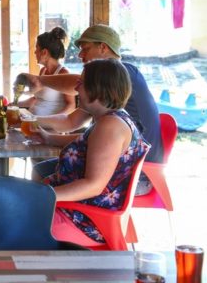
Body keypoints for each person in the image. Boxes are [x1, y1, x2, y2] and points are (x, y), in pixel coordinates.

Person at [17, 24, 162, 195]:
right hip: (115, 165)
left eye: (85, 49)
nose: (79, 55)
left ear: (103, 47)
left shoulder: (121, 74)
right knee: (42, 171)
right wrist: (32, 123)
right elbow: (72, 122)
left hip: (136, 175)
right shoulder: (105, 104)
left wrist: (40, 81)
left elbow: (94, 184)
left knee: (29, 191)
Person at [32, 59, 149, 247]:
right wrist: (49, 138)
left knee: (8, 222)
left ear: (98, 88)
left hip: (83, 220)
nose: (76, 88)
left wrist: (42, 195)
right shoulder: (110, 119)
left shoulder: (110, 127)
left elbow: (93, 186)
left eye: (82, 83)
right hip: (78, 210)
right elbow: (87, 142)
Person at [18, 27, 75, 116]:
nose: (35, 52)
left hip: (49, 126)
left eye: (37, 48)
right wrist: (13, 104)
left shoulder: (63, 73)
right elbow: (36, 99)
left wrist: (53, 120)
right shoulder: (43, 70)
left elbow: (71, 105)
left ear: (44, 52)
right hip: (33, 119)